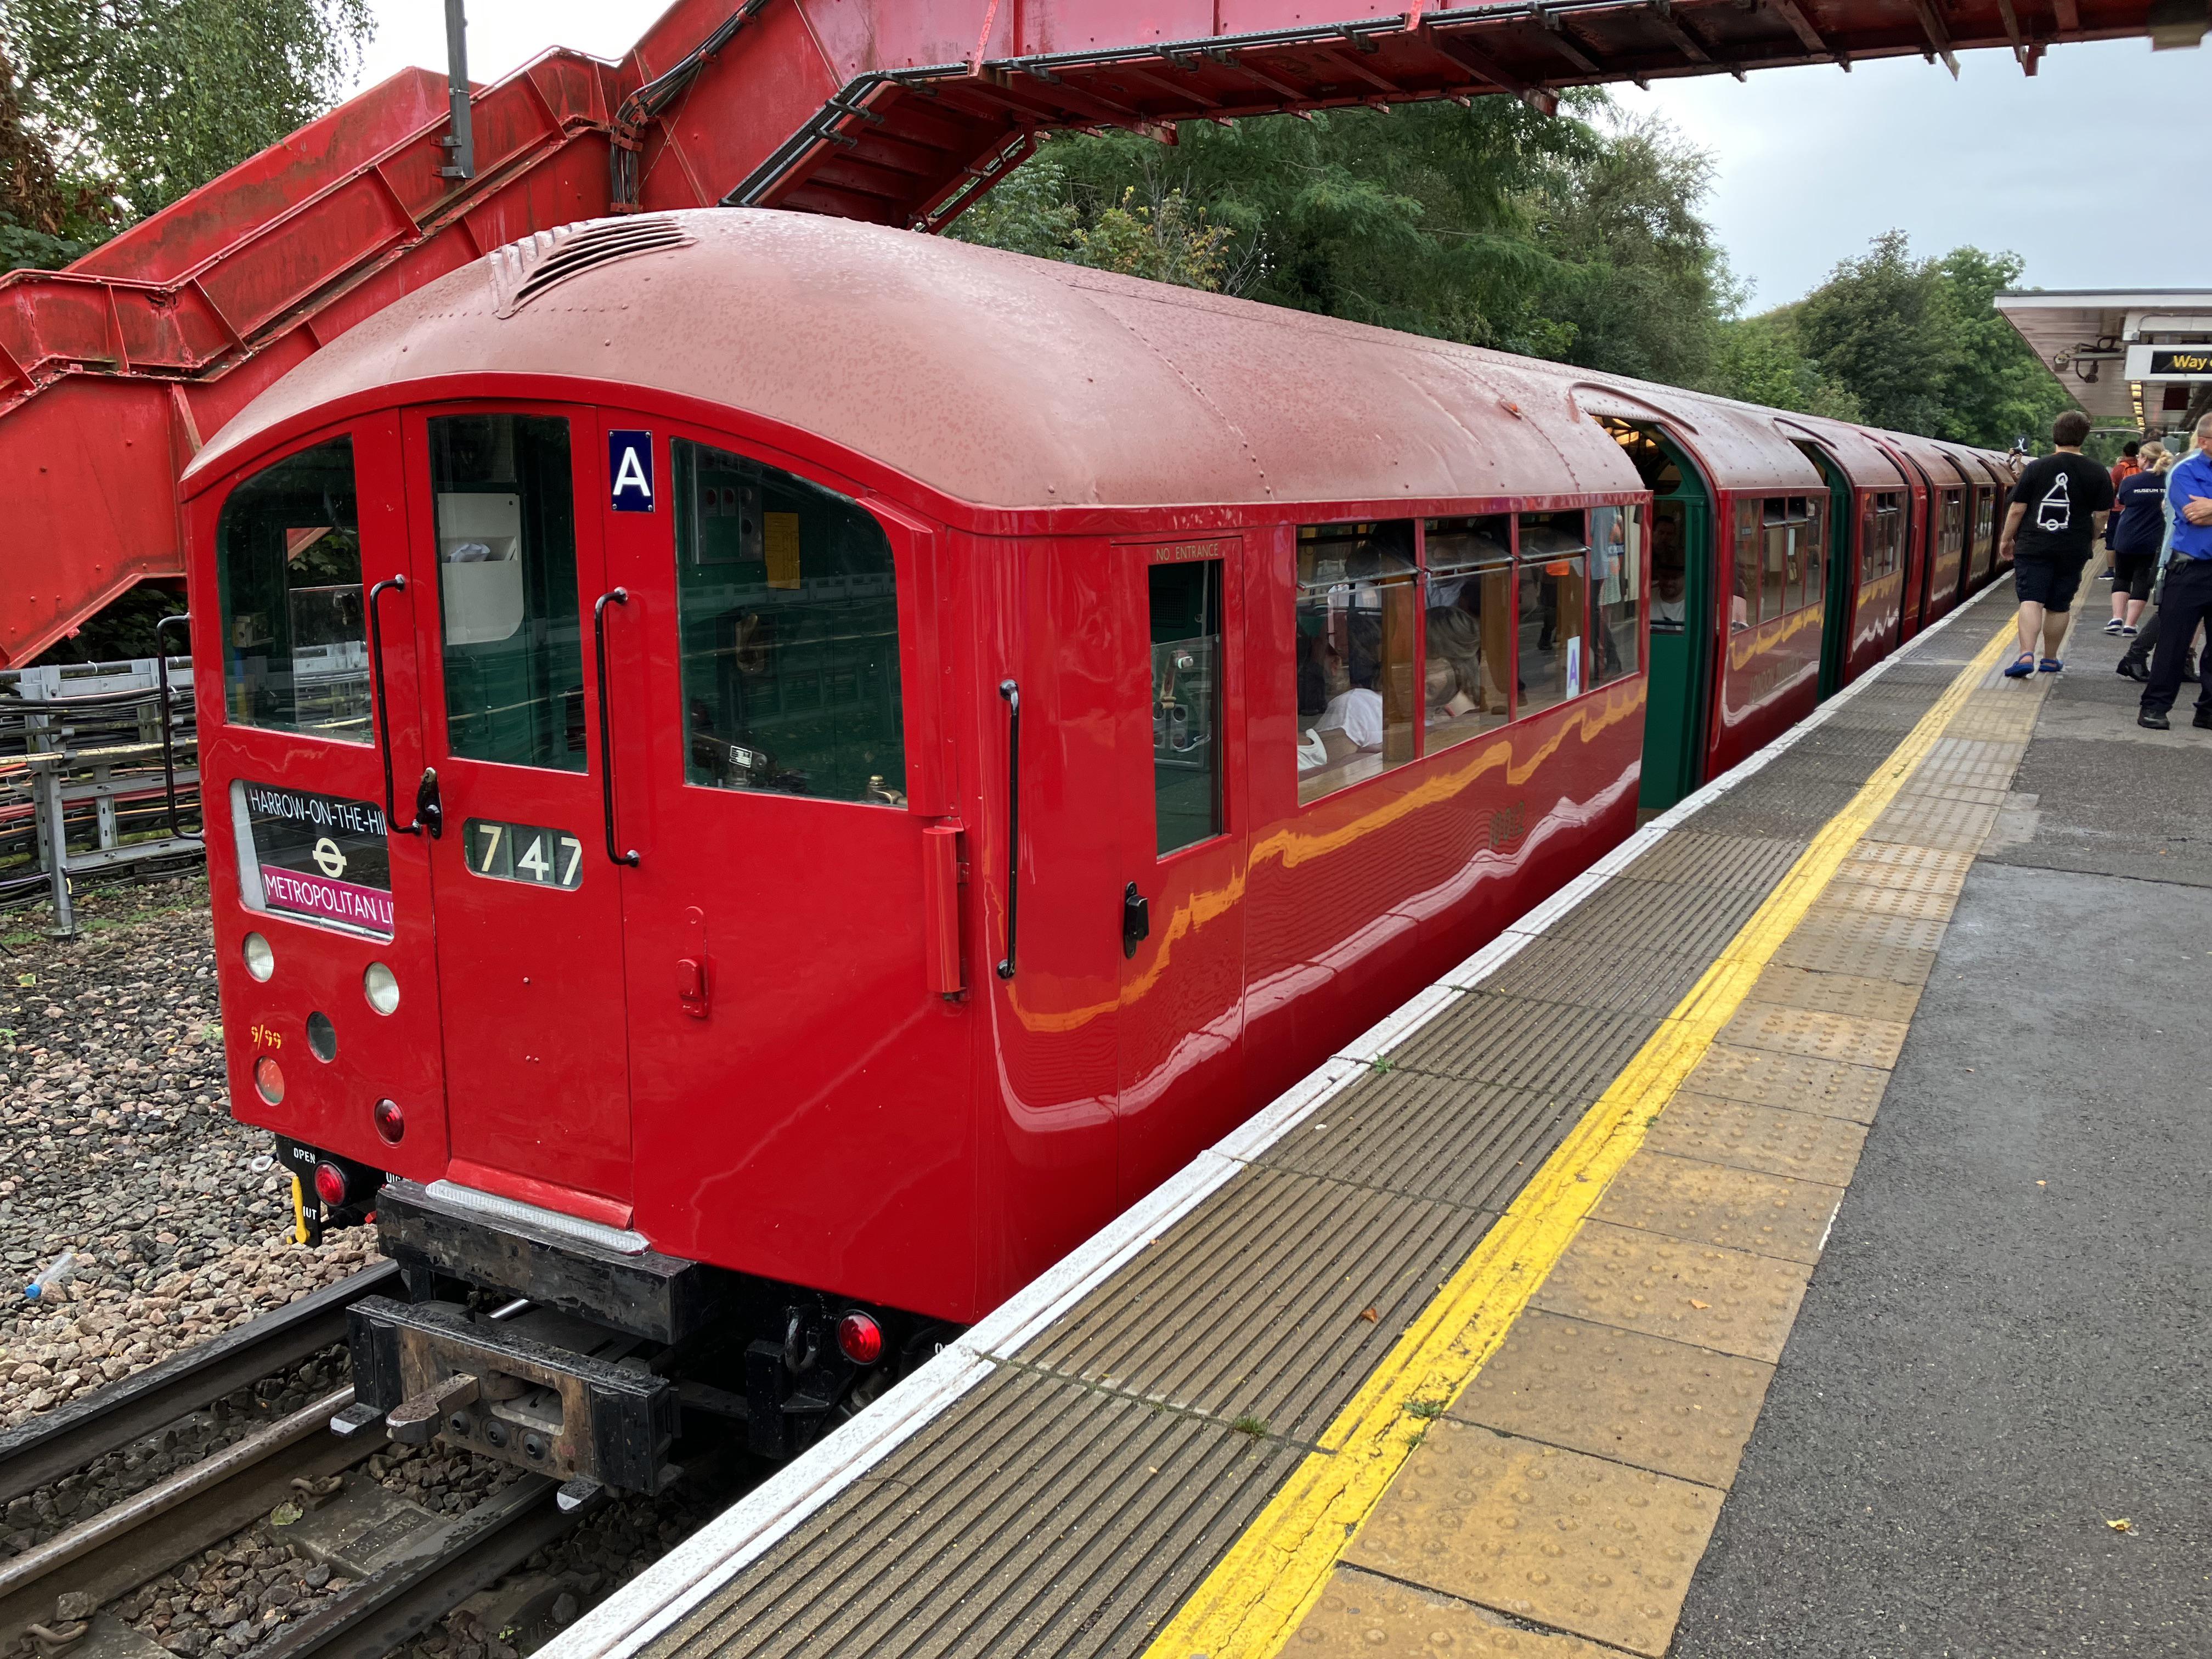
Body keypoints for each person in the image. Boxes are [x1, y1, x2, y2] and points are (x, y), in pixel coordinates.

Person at [1997, 410, 2114, 677]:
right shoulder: (2097, 470)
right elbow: (2103, 514)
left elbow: (2017, 508)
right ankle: (2050, 659)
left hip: (2034, 544)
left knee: (2031, 599)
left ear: (2055, 434)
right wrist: (2092, 537)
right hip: (2073, 548)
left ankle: (2026, 655)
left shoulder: (2038, 467)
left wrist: (2006, 539)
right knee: (2060, 605)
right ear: (2084, 437)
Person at [2138, 413, 2212, 730]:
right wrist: (2206, 510)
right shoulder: (2185, 470)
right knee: (2174, 643)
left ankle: (2208, 711)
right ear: (2206, 442)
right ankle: (2155, 707)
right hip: (2191, 569)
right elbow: (2194, 514)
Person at [2107, 442, 2168, 635]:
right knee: (2142, 579)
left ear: (2143, 458)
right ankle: (2130, 625)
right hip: (2152, 538)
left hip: (2127, 536)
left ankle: (2116, 617)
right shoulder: (2170, 482)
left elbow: (2123, 501)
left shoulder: (2130, 482)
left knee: (2122, 576)